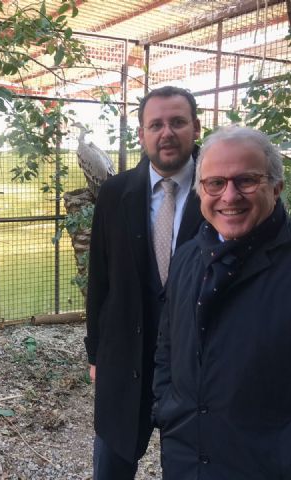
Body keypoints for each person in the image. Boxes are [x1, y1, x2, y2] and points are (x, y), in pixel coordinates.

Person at [153, 125, 291, 479]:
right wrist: (168, 411)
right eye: (215, 183)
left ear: (276, 187)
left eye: (246, 180)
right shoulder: (187, 258)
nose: (229, 196)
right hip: (187, 463)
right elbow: (168, 347)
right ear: (200, 191)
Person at [85, 85, 203, 479]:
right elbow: (100, 279)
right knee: (112, 464)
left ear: (196, 128)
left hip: (196, 366)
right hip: (123, 359)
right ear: (141, 134)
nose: (166, 133)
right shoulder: (115, 193)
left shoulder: (220, 191)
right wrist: (95, 354)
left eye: (177, 122)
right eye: (156, 125)